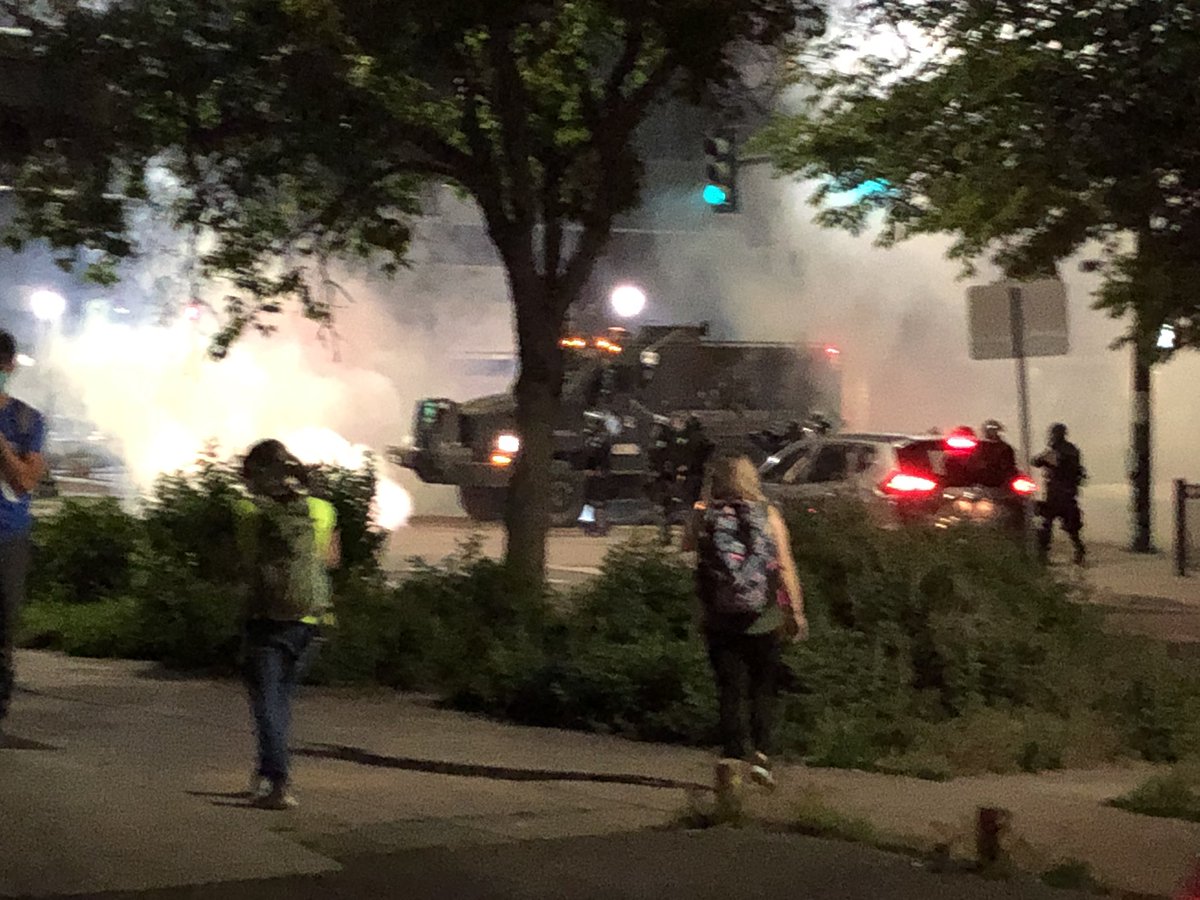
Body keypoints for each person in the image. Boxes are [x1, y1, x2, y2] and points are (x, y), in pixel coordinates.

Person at [683, 455, 807, 793]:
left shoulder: (705, 514)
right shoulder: (768, 515)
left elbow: (686, 548)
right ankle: (763, 760)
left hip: (719, 619)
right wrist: (796, 612)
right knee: (763, 690)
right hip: (764, 619)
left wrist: (703, 509)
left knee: (729, 691)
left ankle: (732, 761)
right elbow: (784, 567)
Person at [234, 439, 339, 809]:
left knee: (266, 702)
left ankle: (278, 781)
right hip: (312, 619)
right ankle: (266, 774)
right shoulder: (323, 510)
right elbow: (331, 560)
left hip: (267, 617)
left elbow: (245, 560)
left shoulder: (248, 511)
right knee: (280, 700)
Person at [0, 331, 46, 737]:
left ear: (9, 367)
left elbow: (25, 482)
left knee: (2, 633)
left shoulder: (27, 420)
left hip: (7, 538)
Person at [1032, 423, 1087, 565]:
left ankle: (1042, 555)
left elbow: (1037, 461)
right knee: (1071, 526)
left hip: (1056, 493)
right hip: (1068, 493)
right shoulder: (1072, 449)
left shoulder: (1056, 450)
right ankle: (1079, 550)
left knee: (1047, 524)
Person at [974, 419, 1019, 488]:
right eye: (990, 430)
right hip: (979, 483)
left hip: (1001, 483)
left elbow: (1010, 465)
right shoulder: (978, 446)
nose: (992, 432)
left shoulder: (1005, 447)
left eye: (994, 430)